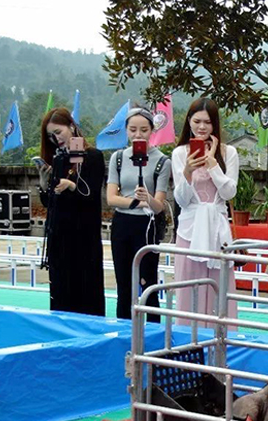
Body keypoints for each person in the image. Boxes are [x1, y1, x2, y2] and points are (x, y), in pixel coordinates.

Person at [170, 98, 240, 327]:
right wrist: (188, 171)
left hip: (218, 230)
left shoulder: (229, 153)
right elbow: (182, 199)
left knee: (219, 289)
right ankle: (188, 339)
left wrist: (212, 165)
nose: (202, 127)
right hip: (190, 230)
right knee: (188, 289)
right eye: (197, 121)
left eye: (207, 122)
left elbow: (229, 192)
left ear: (215, 124)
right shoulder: (180, 153)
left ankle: (221, 339)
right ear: (189, 121)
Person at [37, 108, 105, 316]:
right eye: (51, 135)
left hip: (84, 238)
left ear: (72, 127)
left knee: (86, 291)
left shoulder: (93, 156)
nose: (56, 138)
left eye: (58, 132)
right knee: (61, 293)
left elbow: (91, 194)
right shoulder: (58, 159)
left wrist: (72, 185)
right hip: (60, 238)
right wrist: (43, 184)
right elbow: (50, 202)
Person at [107, 107, 172, 322]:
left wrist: (148, 199)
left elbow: (159, 205)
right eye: (133, 129)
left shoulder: (162, 161)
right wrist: (137, 202)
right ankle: (124, 330)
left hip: (147, 225)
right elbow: (111, 198)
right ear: (126, 130)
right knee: (124, 283)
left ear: (152, 130)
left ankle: (153, 332)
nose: (138, 135)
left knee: (147, 282)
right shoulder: (118, 158)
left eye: (144, 130)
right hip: (122, 223)